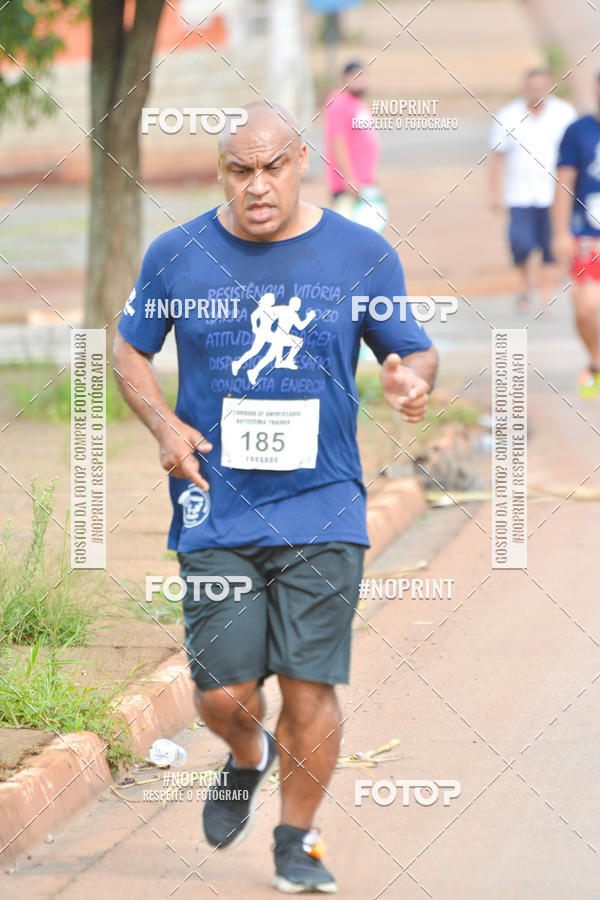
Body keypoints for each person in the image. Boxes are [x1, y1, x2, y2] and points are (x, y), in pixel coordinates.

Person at [113, 100, 437, 894]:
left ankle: (298, 839)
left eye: (273, 167)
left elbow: (415, 349)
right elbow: (128, 350)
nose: (258, 185)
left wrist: (408, 380)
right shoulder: (178, 253)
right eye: (240, 169)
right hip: (213, 504)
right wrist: (163, 424)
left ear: (302, 164)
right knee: (222, 692)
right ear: (223, 172)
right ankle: (246, 753)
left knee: (309, 683)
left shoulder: (359, 252)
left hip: (324, 504)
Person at [489, 68, 576, 313]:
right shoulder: (508, 115)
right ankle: (524, 285)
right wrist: (495, 193)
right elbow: (496, 157)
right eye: (532, 87)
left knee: (551, 248)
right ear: (524, 88)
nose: (537, 92)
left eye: (542, 87)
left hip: (554, 195)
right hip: (519, 195)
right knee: (521, 243)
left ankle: (544, 298)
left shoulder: (564, 114)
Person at [554, 72, 600, 398]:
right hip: (588, 235)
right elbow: (563, 184)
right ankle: (596, 360)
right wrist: (559, 232)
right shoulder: (578, 131)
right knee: (584, 308)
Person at [324, 61, 387, 234]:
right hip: (349, 187)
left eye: (364, 77)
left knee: (369, 237)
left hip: (365, 184)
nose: (362, 81)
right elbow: (338, 141)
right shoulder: (338, 102)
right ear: (344, 79)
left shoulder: (357, 104)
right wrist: (349, 179)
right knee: (348, 238)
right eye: (356, 77)